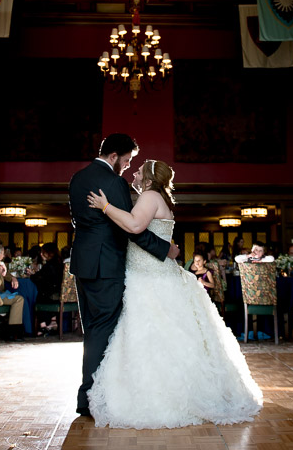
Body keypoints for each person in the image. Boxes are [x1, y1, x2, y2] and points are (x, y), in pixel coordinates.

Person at [86, 158, 262, 429]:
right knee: (158, 337)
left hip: (149, 279)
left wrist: (105, 206)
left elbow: (134, 226)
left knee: (151, 336)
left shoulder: (149, 196)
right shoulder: (157, 197)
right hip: (152, 274)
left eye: (139, 170)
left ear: (148, 179)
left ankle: (158, 398)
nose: (134, 171)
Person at [68, 133, 180, 418]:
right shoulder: (114, 182)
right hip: (107, 266)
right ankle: (92, 399)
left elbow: (77, 220)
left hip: (83, 264)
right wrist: (166, 249)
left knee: (93, 329)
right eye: (127, 160)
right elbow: (131, 229)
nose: (129, 167)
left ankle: (89, 397)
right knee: (103, 332)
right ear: (114, 156)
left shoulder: (77, 179)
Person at [0, 241, 26, 340]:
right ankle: (13, 333)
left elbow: (5, 274)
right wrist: (0, 263)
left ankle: (11, 331)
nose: (3, 256)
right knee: (19, 299)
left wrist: (12, 278)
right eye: (2, 254)